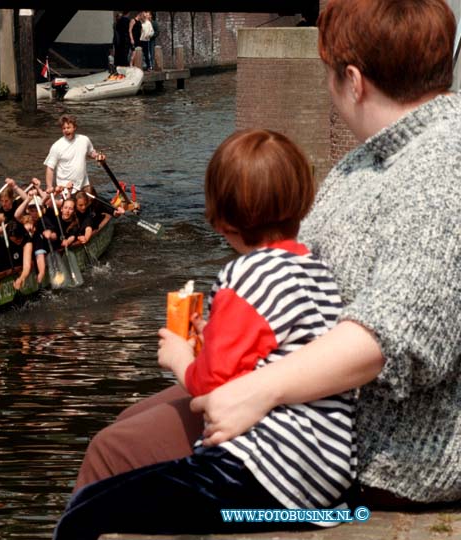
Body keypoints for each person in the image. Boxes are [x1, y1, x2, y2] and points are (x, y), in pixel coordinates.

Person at [64, 0, 461, 533]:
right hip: (309, 412)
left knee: (113, 456)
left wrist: (258, 389)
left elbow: (391, 337)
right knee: (127, 427)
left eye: (327, 72)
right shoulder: (369, 158)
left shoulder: (441, 171)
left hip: (370, 452)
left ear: (353, 79)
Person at [55, 129, 351, 539]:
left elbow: (212, 386)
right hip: (326, 473)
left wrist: (179, 356)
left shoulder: (242, 277)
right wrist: (213, 336)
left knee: (85, 516)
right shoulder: (315, 267)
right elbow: (271, 348)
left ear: (222, 217)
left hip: (264, 477)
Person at [44, 114, 106, 194]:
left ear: (75, 127)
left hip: (84, 185)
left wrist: (98, 156)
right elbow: (50, 168)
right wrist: (49, 186)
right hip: (66, 188)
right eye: (64, 128)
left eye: (68, 127)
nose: (66, 130)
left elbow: (91, 153)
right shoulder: (57, 146)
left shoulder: (84, 140)